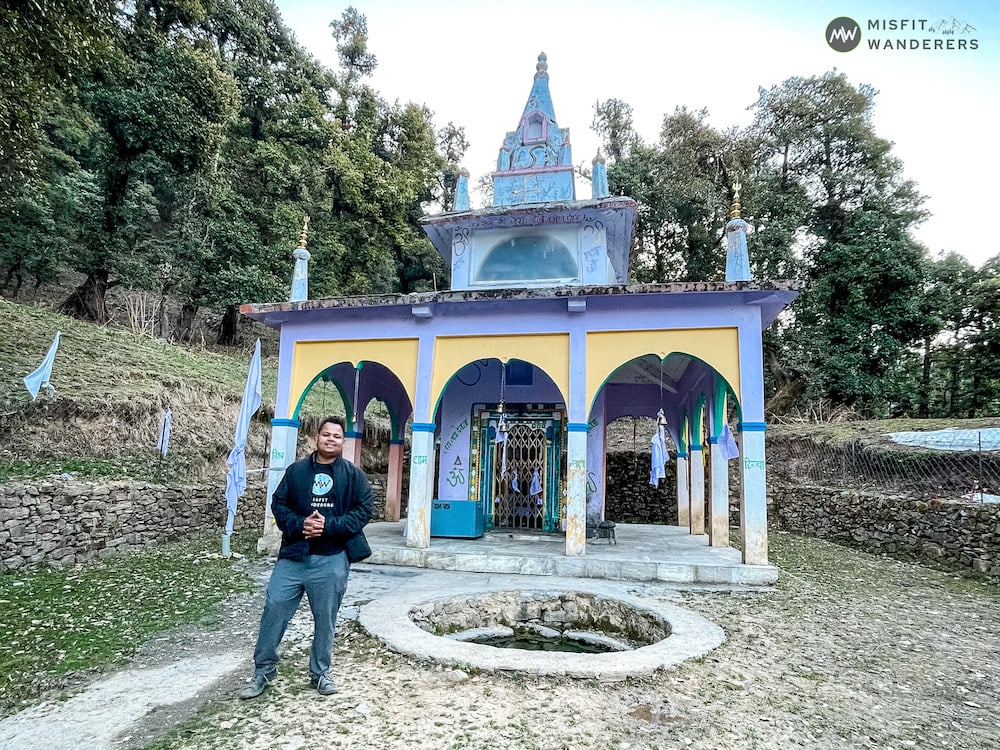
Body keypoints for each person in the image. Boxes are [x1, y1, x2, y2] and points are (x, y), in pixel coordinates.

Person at [240, 415, 373, 699]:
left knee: (326, 619)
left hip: (331, 557)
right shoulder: (297, 472)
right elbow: (279, 503)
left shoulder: (353, 476)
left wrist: (329, 526)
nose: (330, 439)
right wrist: (302, 524)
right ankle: (262, 671)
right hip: (293, 556)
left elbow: (364, 511)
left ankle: (321, 672)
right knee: (274, 608)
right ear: (317, 437)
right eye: (326, 434)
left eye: (337, 436)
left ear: (343, 441)